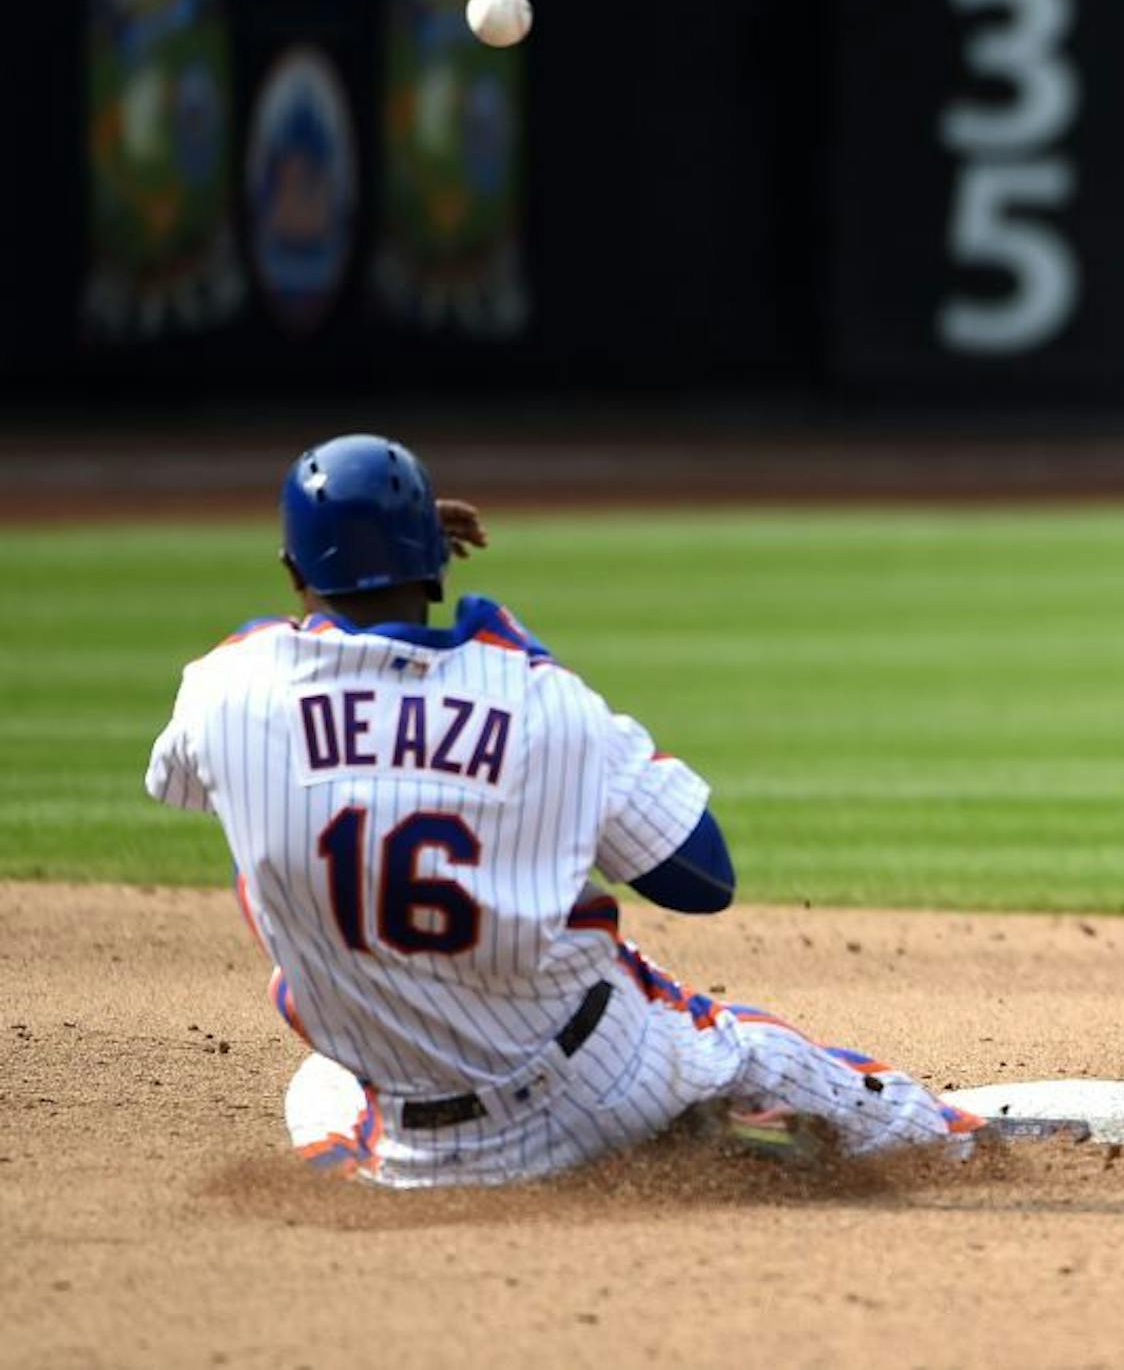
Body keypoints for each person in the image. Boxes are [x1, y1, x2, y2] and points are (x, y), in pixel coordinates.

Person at [145, 433, 983, 1187]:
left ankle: (645, 1142)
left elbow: (183, 770)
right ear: (438, 563)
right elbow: (701, 877)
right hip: (602, 1082)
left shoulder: (225, 691)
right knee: (797, 1071)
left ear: (294, 572)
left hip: (419, 1151)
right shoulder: (539, 699)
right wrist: (516, 651)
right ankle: (911, 1141)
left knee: (320, 1075)